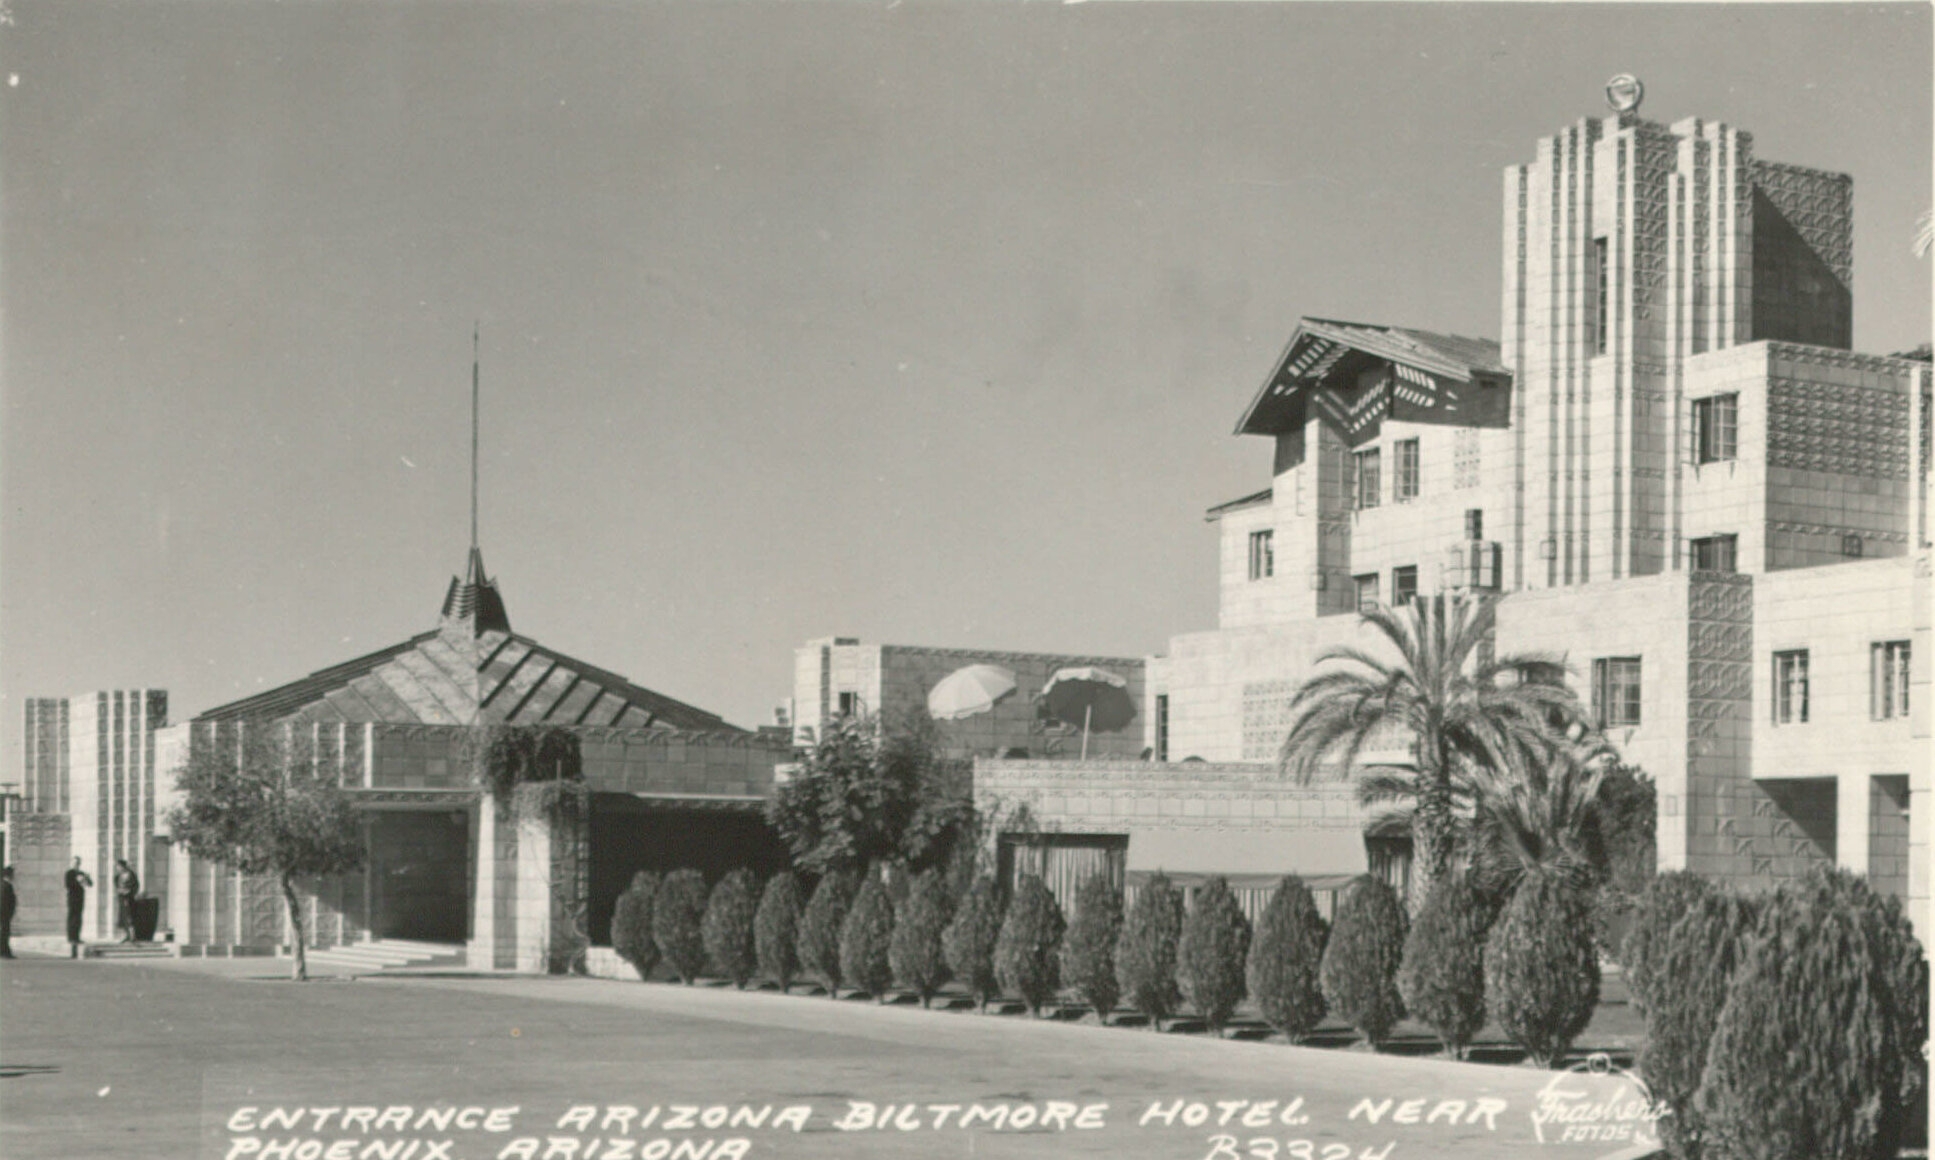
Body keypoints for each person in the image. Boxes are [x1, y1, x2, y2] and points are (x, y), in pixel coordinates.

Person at [65, 857, 92, 958]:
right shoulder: (69, 873)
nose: (76, 864)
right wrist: (78, 881)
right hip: (72, 897)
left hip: (80, 898)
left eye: (78, 863)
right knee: (72, 917)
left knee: (78, 917)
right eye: (75, 862)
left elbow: (90, 884)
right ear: (72, 863)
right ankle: (71, 937)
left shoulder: (81, 873)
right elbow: (68, 884)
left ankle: (77, 936)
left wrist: (86, 878)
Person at [113, 858, 140, 943]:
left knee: (129, 915)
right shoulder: (117, 876)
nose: (118, 868)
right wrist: (119, 891)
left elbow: (135, 885)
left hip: (128, 897)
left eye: (119, 866)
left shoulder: (130, 874)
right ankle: (126, 934)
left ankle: (132, 935)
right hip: (121, 897)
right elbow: (117, 886)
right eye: (117, 866)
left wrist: (130, 892)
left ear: (123, 866)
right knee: (123, 915)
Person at [1, 866, 16, 959]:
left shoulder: (3, 885)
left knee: (4, 932)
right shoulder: (6, 886)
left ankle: (5, 950)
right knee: (5, 932)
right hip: (4, 913)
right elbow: (5, 901)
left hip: (4, 913)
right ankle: (4, 951)